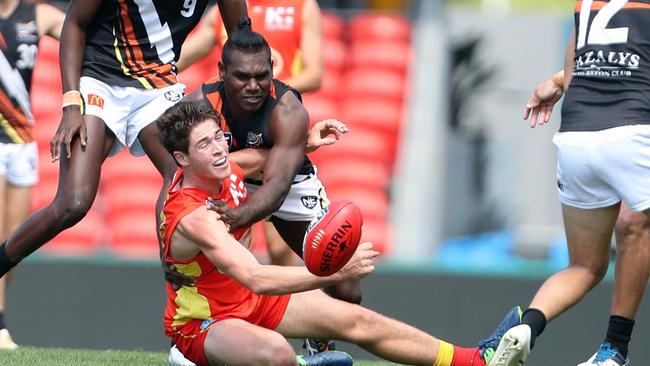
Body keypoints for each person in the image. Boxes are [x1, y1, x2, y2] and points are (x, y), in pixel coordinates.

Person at [156, 99, 523, 366]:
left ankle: (476, 360)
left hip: (248, 303)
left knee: (358, 321)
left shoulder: (223, 168)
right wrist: (333, 273)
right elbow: (256, 277)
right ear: (183, 159)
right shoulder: (195, 217)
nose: (219, 149)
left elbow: (259, 159)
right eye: (204, 145)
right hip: (205, 323)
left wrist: (307, 142)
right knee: (277, 353)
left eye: (218, 137)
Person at [0, 0, 248, 278]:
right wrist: (71, 105)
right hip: (100, 79)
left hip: (157, 85)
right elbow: (75, 24)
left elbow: (242, 39)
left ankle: (173, 273)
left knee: (183, 174)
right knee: (74, 203)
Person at [489, 3, 650, 366]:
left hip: (578, 136)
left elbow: (576, 71)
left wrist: (557, 80)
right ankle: (615, 349)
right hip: (634, 131)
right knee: (636, 228)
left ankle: (527, 326)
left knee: (585, 266)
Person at [177, 0, 324, 268]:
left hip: (276, 126)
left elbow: (315, 74)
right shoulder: (226, 9)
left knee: (279, 248)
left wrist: (270, 94)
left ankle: (283, 301)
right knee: (231, 248)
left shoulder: (302, 6)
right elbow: (180, 58)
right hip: (231, 128)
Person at [0, 0, 64, 350]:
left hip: (22, 139)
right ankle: (0, 325)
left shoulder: (38, 14)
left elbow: (79, 32)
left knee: (12, 242)